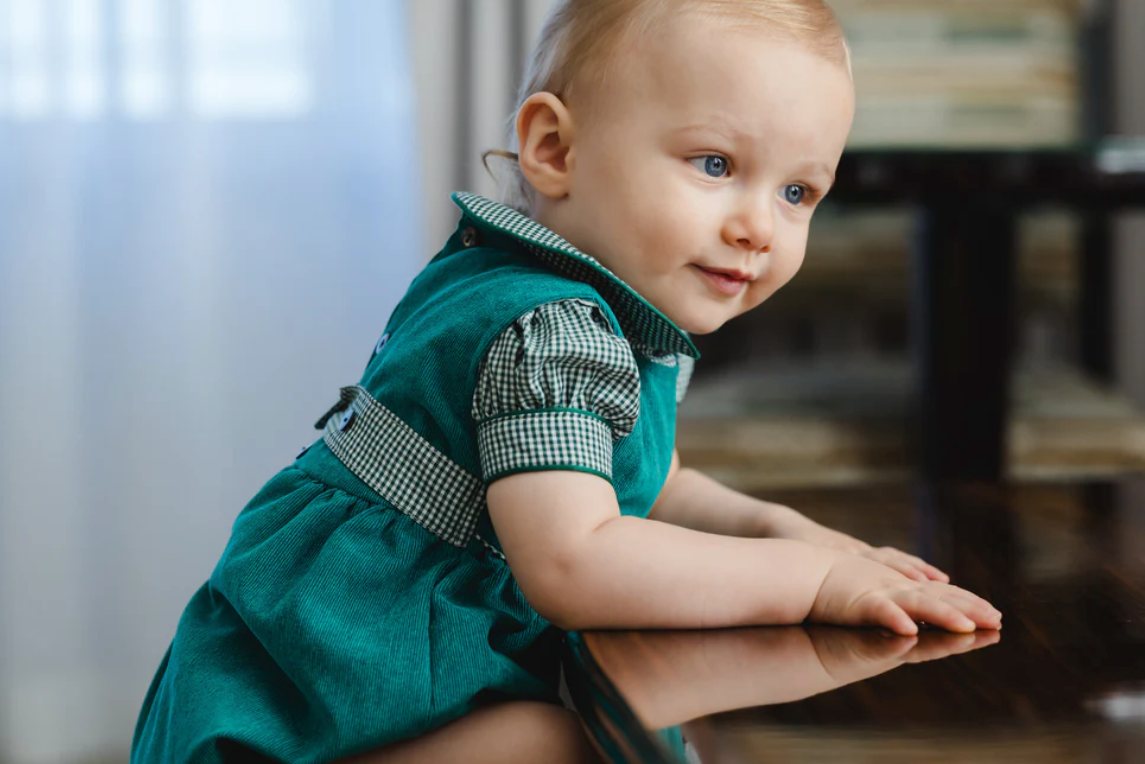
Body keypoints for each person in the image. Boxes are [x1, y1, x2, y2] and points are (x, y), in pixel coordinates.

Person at [131, 1, 1002, 762]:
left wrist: (790, 532)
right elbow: (576, 555)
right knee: (588, 740)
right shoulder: (549, 330)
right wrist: (811, 585)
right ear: (553, 149)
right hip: (315, 712)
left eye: (799, 192)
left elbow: (637, 487)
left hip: (322, 670)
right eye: (714, 165)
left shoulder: (546, 290)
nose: (757, 228)